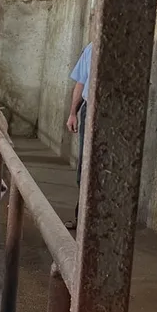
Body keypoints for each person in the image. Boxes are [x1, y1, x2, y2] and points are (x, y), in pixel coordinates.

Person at [65, 41, 92, 231]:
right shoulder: (91, 48)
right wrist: (73, 112)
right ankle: (82, 218)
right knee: (85, 164)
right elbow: (81, 82)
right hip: (90, 107)